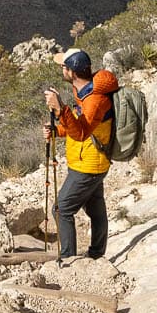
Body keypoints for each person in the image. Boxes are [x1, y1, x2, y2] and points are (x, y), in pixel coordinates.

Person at [43, 47, 119, 259]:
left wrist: (60, 110)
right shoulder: (85, 91)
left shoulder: (95, 100)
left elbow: (82, 132)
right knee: (95, 210)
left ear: (72, 72)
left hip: (89, 165)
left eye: (63, 67)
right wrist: (57, 130)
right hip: (92, 162)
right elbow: (80, 124)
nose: (61, 70)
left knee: (61, 209)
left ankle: (69, 259)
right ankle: (96, 254)